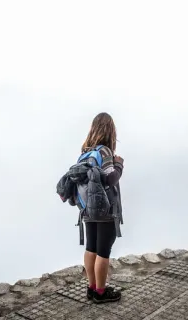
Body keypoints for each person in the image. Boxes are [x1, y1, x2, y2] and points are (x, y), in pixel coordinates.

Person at [79, 112, 124, 304]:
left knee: (91, 247)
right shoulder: (105, 152)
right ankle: (100, 291)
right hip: (105, 210)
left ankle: (91, 287)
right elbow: (110, 178)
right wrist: (119, 165)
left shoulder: (84, 152)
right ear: (110, 131)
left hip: (87, 210)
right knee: (103, 250)